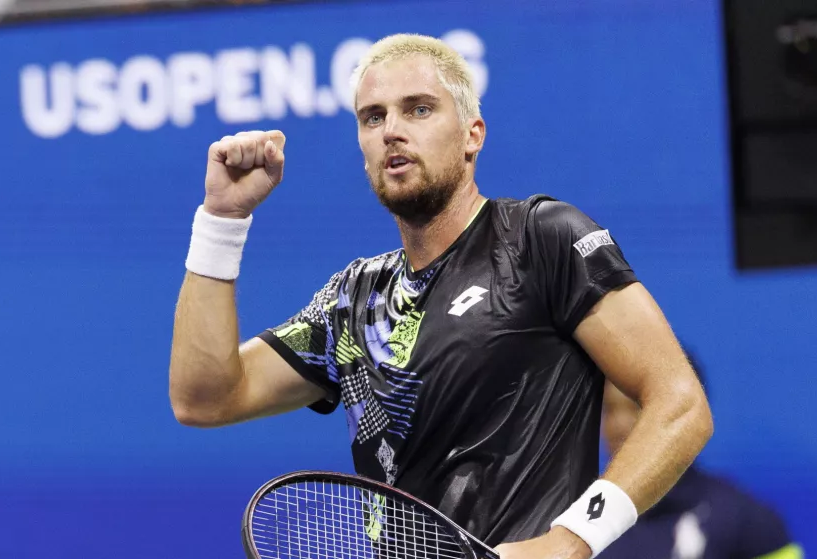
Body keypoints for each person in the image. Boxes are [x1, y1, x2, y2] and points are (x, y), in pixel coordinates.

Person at [169, 33, 713, 559]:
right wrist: (223, 219)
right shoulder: (352, 299)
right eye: (373, 117)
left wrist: (571, 539)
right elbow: (204, 398)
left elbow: (679, 403)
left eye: (419, 109)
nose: (391, 132)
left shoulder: (542, 239)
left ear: (473, 133)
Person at [601, 351, 803, 559]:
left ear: (686, 414)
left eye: (637, 408)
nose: (618, 425)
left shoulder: (745, 522)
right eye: (608, 409)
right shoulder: (578, 517)